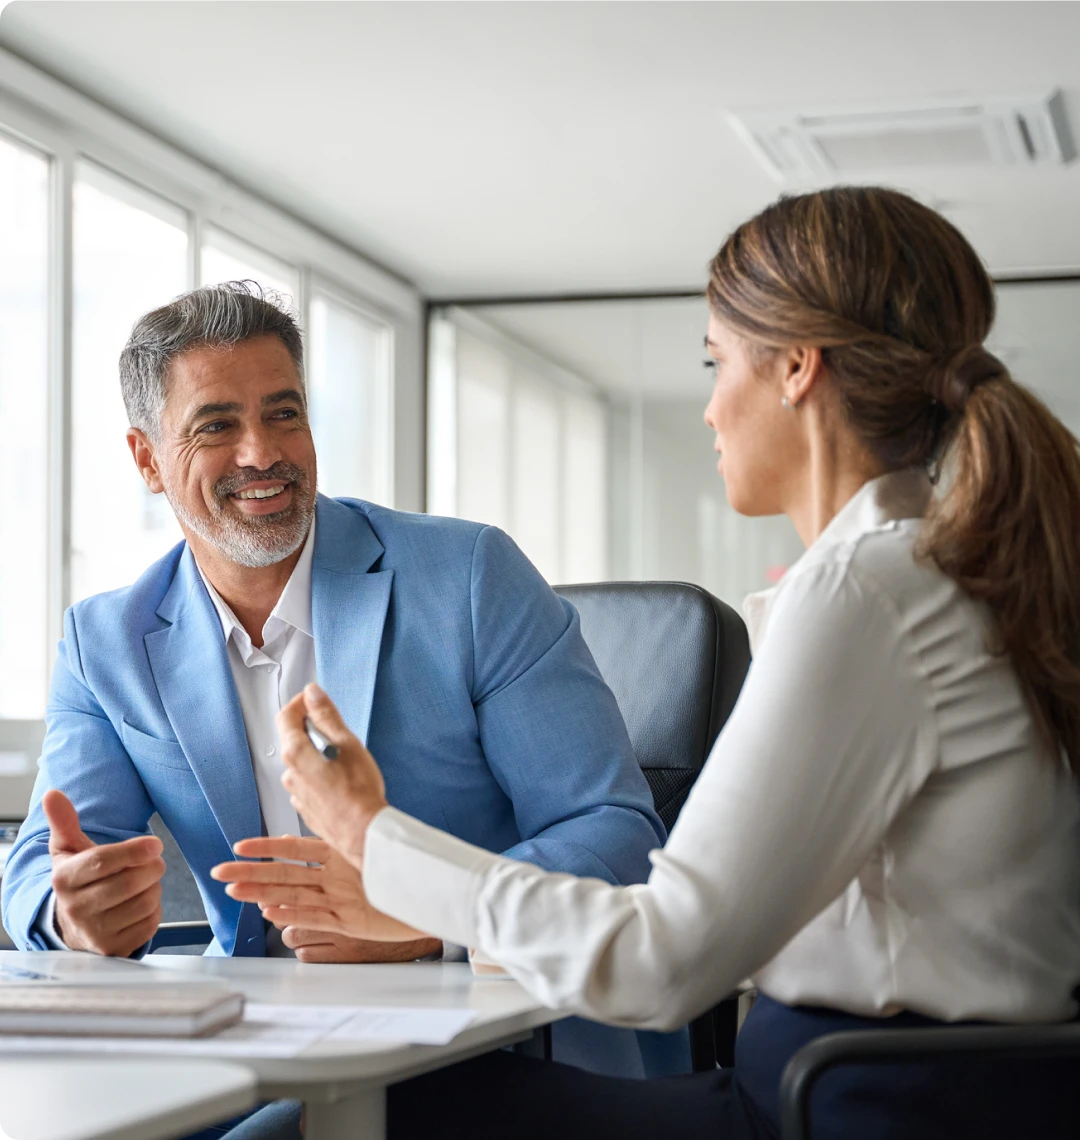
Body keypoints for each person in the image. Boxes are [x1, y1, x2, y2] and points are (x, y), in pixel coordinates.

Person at [216, 186, 1080, 1140]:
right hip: (853, 1089)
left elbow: (665, 960)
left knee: (358, 1122)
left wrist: (375, 840)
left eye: (719, 362)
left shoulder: (870, 594)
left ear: (798, 367)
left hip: (861, 1111)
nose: (713, 407)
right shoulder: (907, 575)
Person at [0, 281, 684, 1083]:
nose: (263, 452)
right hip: (254, 1053)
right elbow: (47, 860)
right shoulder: (105, 641)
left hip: (499, 1041)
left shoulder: (467, 577)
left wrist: (427, 918)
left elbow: (615, 830)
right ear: (148, 460)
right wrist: (71, 910)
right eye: (217, 425)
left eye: (283, 413)